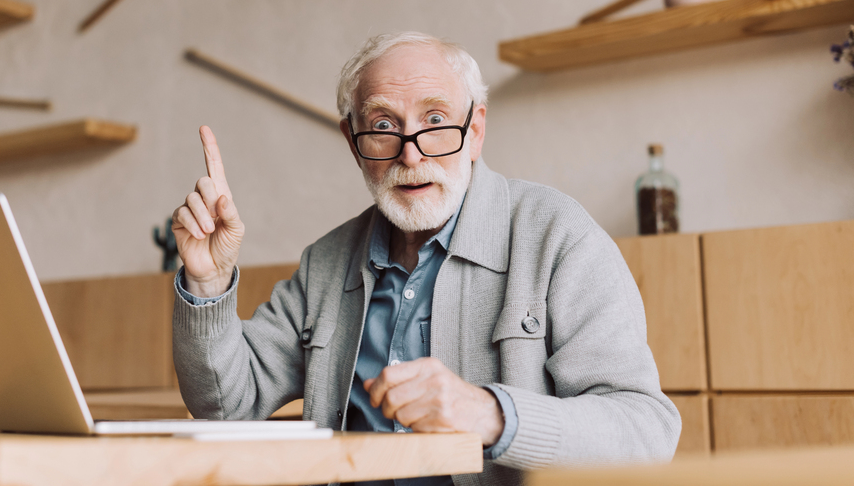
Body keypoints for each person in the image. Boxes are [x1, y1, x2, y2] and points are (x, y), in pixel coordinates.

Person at [171, 32, 681, 485]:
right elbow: (225, 404)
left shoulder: (558, 235)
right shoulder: (326, 263)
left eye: (434, 121)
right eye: (383, 125)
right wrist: (209, 281)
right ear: (353, 141)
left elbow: (645, 430)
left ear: (475, 129)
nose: (410, 155)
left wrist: (492, 415)